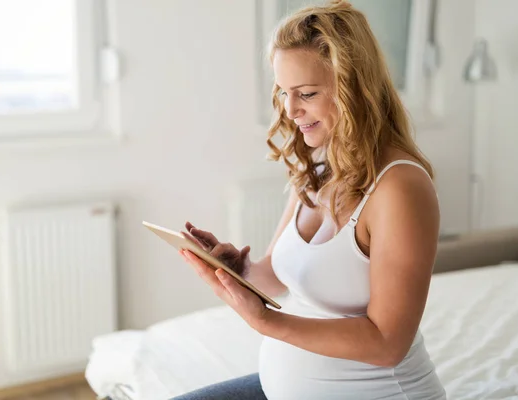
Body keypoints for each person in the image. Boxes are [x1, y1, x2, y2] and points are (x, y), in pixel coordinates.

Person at [173, 1, 447, 399]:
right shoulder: (318, 167)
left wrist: (267, 323)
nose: (290, 110)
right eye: (284, 92)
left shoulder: (400, 188)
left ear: (354, 87)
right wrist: (238, 270)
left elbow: (388, 344)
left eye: (306, 93)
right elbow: (275, 275)